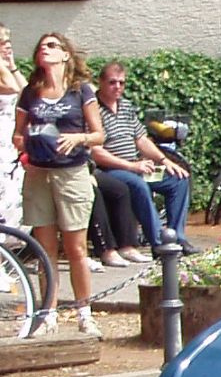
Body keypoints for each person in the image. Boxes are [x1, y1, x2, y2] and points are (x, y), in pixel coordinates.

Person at [11, 32, 105, 336]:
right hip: (38, 174)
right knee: (44, 249)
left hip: (71, 174)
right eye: (41, 47)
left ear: (66, 54)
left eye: (52, 46)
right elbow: (17, 134)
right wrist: (24, 145)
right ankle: (47, 314)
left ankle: (84, 312)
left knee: (76, 249)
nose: (45, 50)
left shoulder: (81, 91)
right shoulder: (30, 92)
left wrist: (78, 138)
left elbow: (98, 135)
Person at [90, 61, 192, 260]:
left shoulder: (126, 106)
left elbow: (141, 139)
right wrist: (132, 166)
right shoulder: (93, 109)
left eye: (122, 83)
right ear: (100, 82)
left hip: (137, 166)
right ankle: (159, 243)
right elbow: (96, 153)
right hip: (112, 170)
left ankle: (177, 238)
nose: (117, 87)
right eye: (112, 82)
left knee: (178, 180)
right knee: (138, 185)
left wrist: (165, 161)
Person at [0, 24, 22, 226]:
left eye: (8, 41)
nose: (6, 46)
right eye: (1, 42)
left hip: (9, 146)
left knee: (12, 204)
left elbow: (25, 91)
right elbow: (12, 88)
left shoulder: (6, 70)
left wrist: (12, 66)